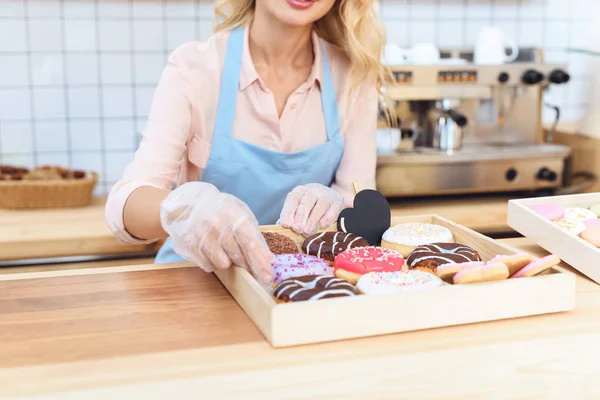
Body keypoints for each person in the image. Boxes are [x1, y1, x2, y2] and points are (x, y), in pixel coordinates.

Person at [105, 0, 390, 284]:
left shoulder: (354, 77)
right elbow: (124, 206)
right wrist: (188, 209)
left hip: (297, 288)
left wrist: (335, 207)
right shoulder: (195, 69)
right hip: (195, 284)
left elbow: (358, 209)